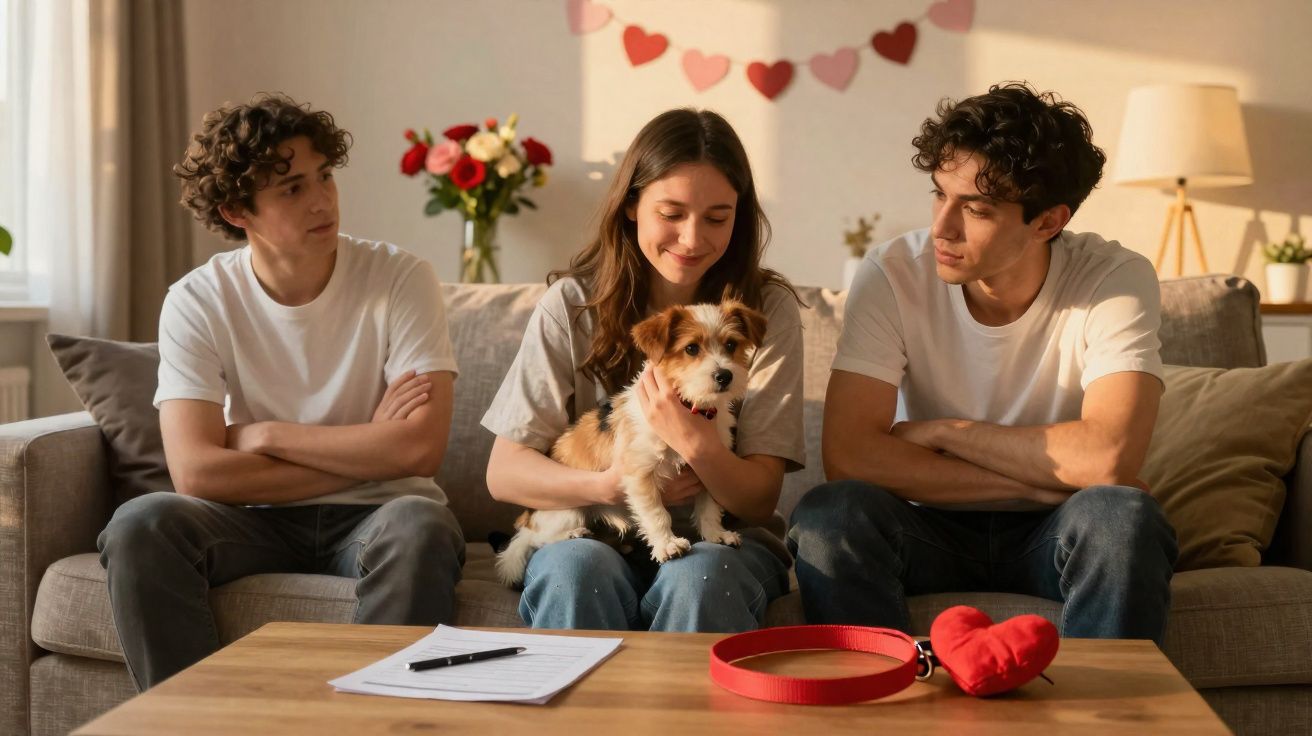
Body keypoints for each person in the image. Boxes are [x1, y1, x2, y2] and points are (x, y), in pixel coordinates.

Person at [97, 94, 465, 690]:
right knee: (142, 523)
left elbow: (418, 453)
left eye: (323, 177)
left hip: (386, 512)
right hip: (250, 522)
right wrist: (370, 448)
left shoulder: (401, 277)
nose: (323, 200)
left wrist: (266, 436)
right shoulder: (197, 299)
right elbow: (196, 474)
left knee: (420, 527)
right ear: (237, 210)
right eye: (292, 188)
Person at [788, 83, 1178, 644]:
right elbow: (849, 455)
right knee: (830, 516)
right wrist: (1045, 483)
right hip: (927, 525)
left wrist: (949, 431)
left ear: (1047, 222)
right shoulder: (894, 271)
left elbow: (1107, 456)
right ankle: (873, 719)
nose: (943, 227)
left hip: (1059, 529)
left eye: (975, 209)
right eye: (939, 195)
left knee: (1121, 520)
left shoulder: (1113, 278)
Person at [482, 108, 805, 632]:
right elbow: (504, 473)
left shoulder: (766, 310)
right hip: (597, 530)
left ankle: (688, 716)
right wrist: (609, 486)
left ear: (739, 217)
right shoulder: (572, 305)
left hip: (723, 539)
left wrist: (693, 440)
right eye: (671, 213)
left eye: (718, 217)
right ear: (631, 205)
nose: (693, 237)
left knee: (699, 579)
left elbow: (759, 496)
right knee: (573, 570)